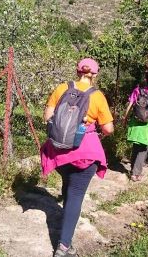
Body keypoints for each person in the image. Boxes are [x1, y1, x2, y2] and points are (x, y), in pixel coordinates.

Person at [40, 58, 114, 257]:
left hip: (59, 149)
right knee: (76, 194)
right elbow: (108, 128)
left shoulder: (62, 88)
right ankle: (64, 247)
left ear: (77, 71)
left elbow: (47, 116)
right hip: (85, 152)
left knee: (67, 181)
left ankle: (65, 220)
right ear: (95, 75)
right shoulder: (97, 96)